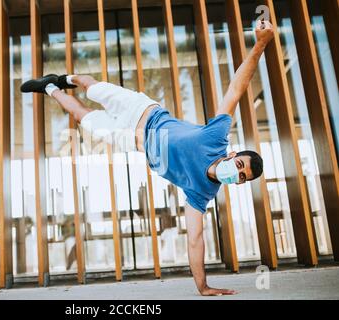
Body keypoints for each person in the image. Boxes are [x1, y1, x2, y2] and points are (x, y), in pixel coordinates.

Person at [21, 20, 275, 296]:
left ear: (238, 184)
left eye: (240, 177)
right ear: (233, 155)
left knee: (85, 118)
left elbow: (195, 238)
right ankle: (65, 79)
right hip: (143, 109)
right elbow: (236, 89)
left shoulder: (202, 192)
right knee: (90, 87)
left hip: (131, 139)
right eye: (239, 166)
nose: (235, 173)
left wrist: (203, 286)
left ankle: (48, 87)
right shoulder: (216, 138)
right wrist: (261, 43)